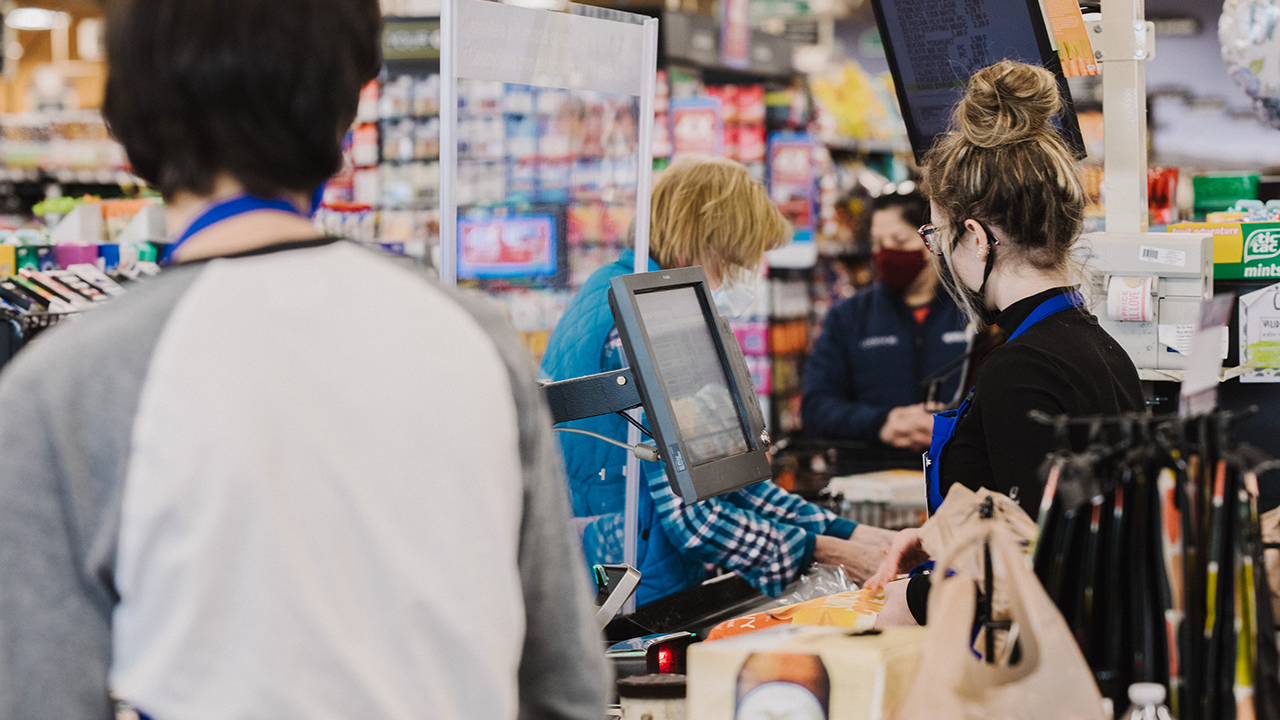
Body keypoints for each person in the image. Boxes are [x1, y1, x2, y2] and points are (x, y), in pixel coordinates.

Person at [0, 1, 607, 718]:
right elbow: (566, 686)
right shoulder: (473, 335)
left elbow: (40, 698)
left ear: (126, 123)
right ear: (345, 112)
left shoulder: (64, 388)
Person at [540, 155, 896, 606]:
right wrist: (831, 552)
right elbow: (693, 518)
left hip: (638, 572)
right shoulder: (635, 321)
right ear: (700, 244)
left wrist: (855, 534)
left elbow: (730, 481)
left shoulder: (636, 295)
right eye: (738, 260)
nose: (747, 277)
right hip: (633, 591)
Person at [866, 60, 1145, 619]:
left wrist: (914, 598)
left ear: (975, 237)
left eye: (936, 234)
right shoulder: (1100, 350)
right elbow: (1051, 517)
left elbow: (1036, 574)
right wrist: (938, 541)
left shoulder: (1019, 370)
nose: (937, 252)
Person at [802, 191, 969, 452]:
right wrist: (882, 423)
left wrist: (953, 425)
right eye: (878, 244)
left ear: (932, 240)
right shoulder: (848, 316)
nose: (885, 253)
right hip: (870, 477)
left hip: (957, 476)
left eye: (899, 242)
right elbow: (816, 407)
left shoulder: (971, 313)